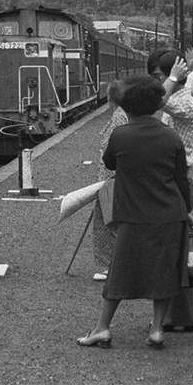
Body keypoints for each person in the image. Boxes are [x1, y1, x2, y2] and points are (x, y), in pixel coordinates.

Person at [76, 75, 193, 351]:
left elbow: (109, 163)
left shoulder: (121, 135)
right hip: (169, 214)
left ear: (127, 107)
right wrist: (186, 211)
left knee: (119, 272)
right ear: (156, 106)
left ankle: (102, 329)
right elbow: (181, 180)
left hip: (133, 214)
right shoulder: (171, 135)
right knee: (165, 272)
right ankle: (156, 331)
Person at [146, 48, 193, 332]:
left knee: (174, 252)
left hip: (179, 183)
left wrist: (172, 76)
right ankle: (184, 313)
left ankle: (180, 316)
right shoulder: (179, 99)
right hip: (173, 181)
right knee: (174, 249)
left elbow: (153, 101)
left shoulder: (186, 104)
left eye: (160, 76)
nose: (157, 82)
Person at [90, 80, 128, 281]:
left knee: (109, 222)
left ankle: (111, 266)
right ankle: (113, 264)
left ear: (109, 98)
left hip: (112, 179)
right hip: (109, 178)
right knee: (107, 221)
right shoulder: (120, 115)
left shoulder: (119, 119)